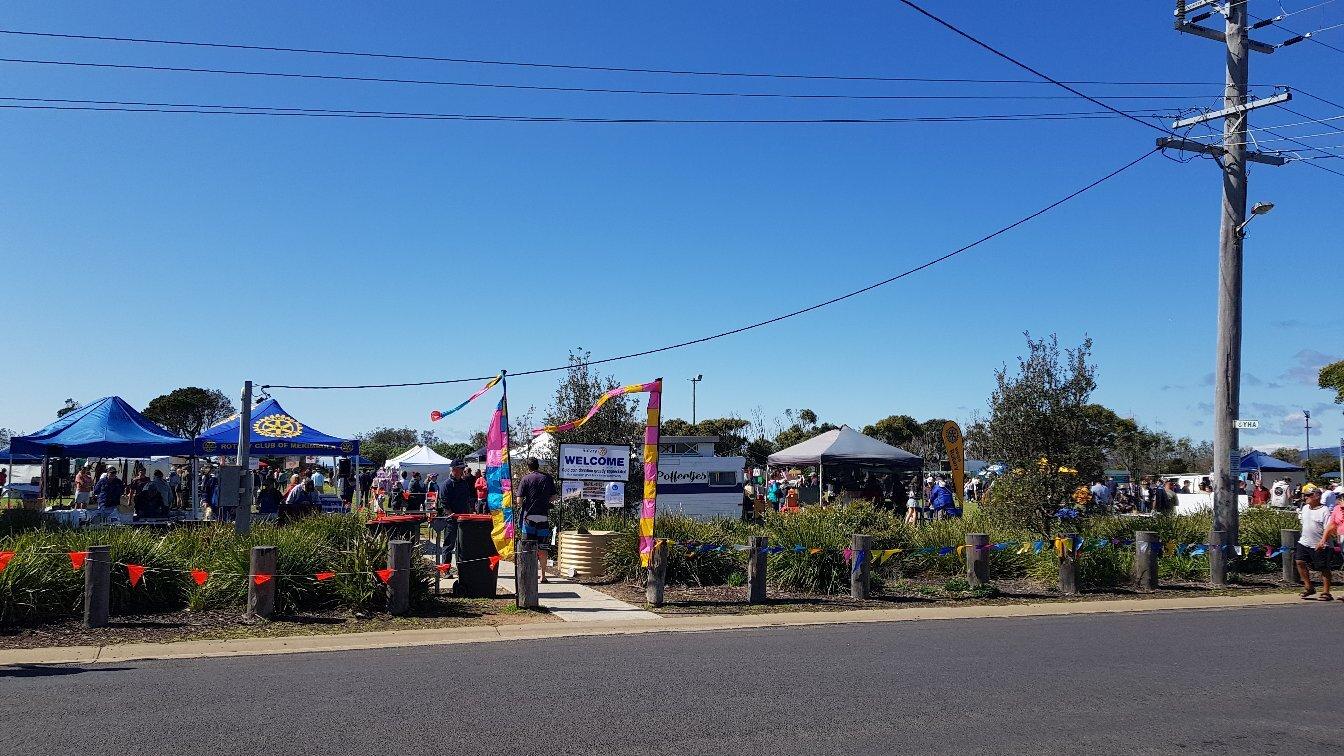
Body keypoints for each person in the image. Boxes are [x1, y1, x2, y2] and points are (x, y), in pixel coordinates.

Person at [517, 457, 557, 583]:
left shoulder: (525, 479)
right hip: (543, 517)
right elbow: (554, 497)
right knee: (543, 548)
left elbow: (519, 501)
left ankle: (529, 575)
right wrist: (545, 501)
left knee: (527, 547)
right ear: (538, 465)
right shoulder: (547, 478)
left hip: (529, 517)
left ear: (528, 467)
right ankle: (543, 576)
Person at [1296, 485, 1335, 600]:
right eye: (1304, 495)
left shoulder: (1325, 510)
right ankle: (1309, 587)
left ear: (1316, 496)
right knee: (1299, 561)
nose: (1305, 498)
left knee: (1323, 568)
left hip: (1320, 543)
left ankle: (1326, 592)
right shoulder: (1305, 508)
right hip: (1304, 541)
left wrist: (1323, 541)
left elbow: (1329, 528)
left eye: (1308, 495)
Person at [436, 461, 477, 569]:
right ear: (454, 469)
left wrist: (469, 514)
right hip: (452, 520)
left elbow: (467, 500)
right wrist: (451, 514)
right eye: (460, 468)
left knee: (462, 546)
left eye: (463, 468)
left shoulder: (464, 483)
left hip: (463, 519)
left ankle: (462, 569)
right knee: (449, 545)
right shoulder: (446, 484)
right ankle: (445, 569)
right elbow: (444, 502)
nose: (462, 470)